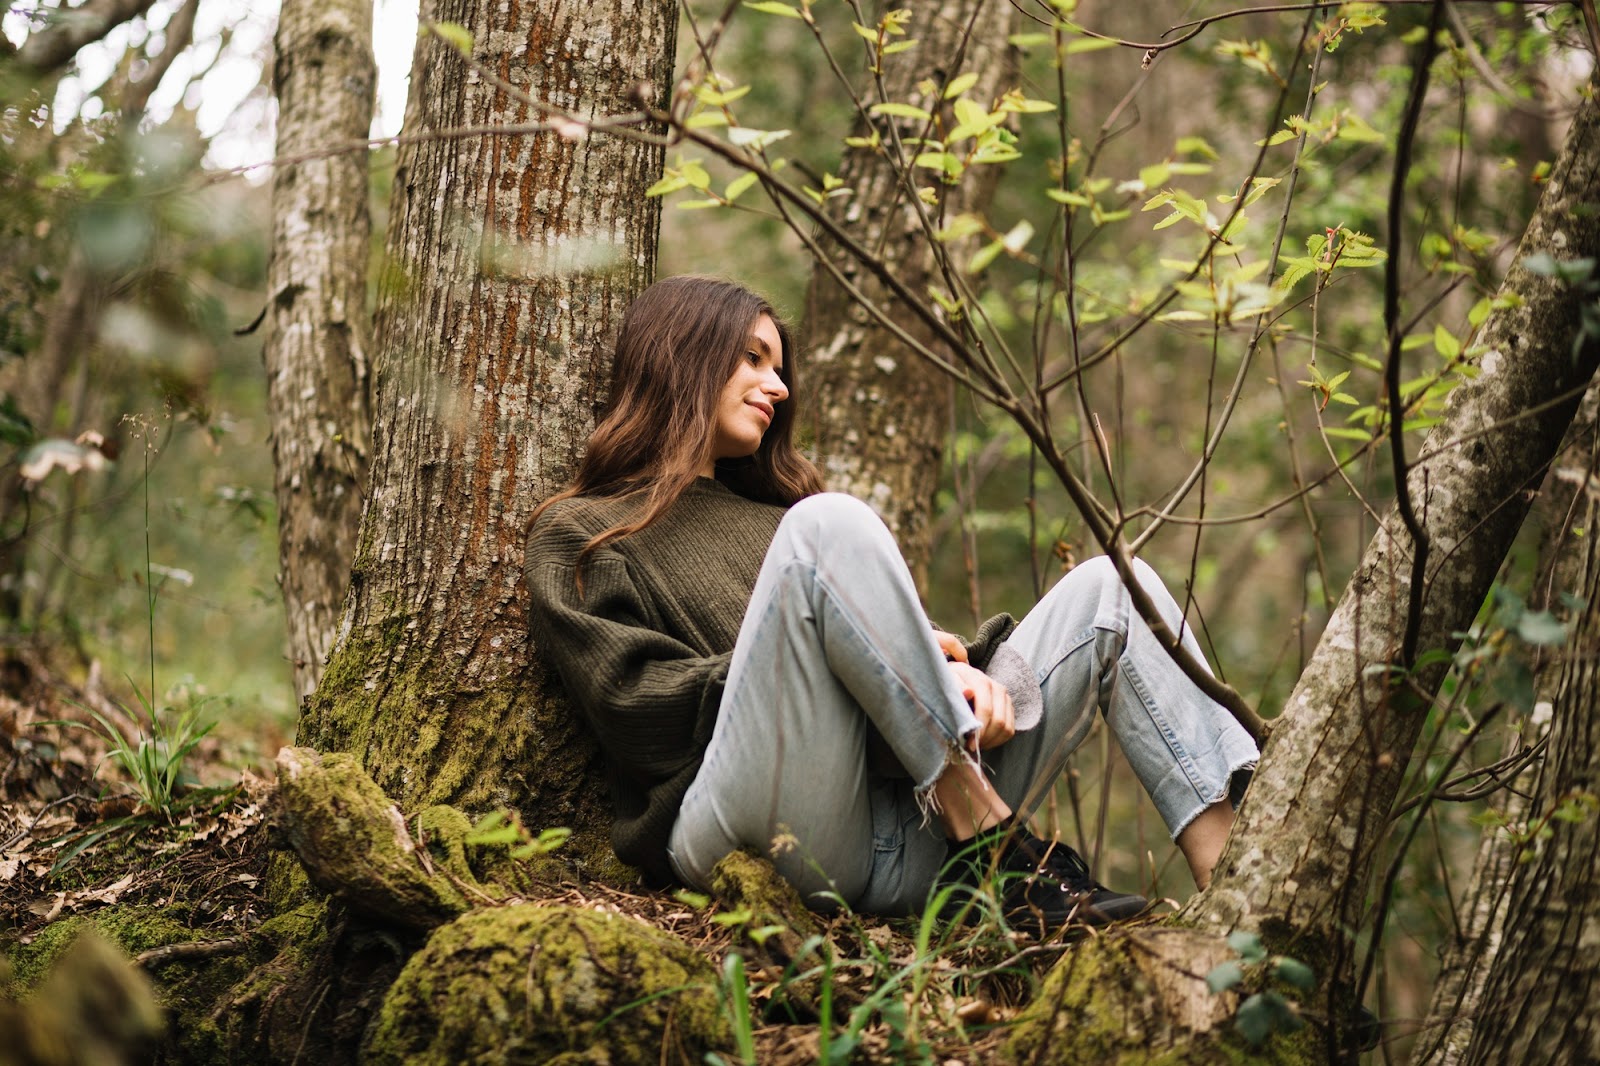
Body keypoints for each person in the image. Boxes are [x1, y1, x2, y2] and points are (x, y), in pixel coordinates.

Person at [523, 275, 1258, 931]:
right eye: (752, 359)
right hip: (749, 829)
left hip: (907, 836)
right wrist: (847, 674)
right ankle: (999, 846)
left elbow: (893, 666)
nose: (778, 387)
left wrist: (959, 669)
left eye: (778, 368)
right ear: (680, 355)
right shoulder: (586, 531)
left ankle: (1243, 911)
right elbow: (631, 706)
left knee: (1113, 586)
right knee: (829, 523)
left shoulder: (782, 519)